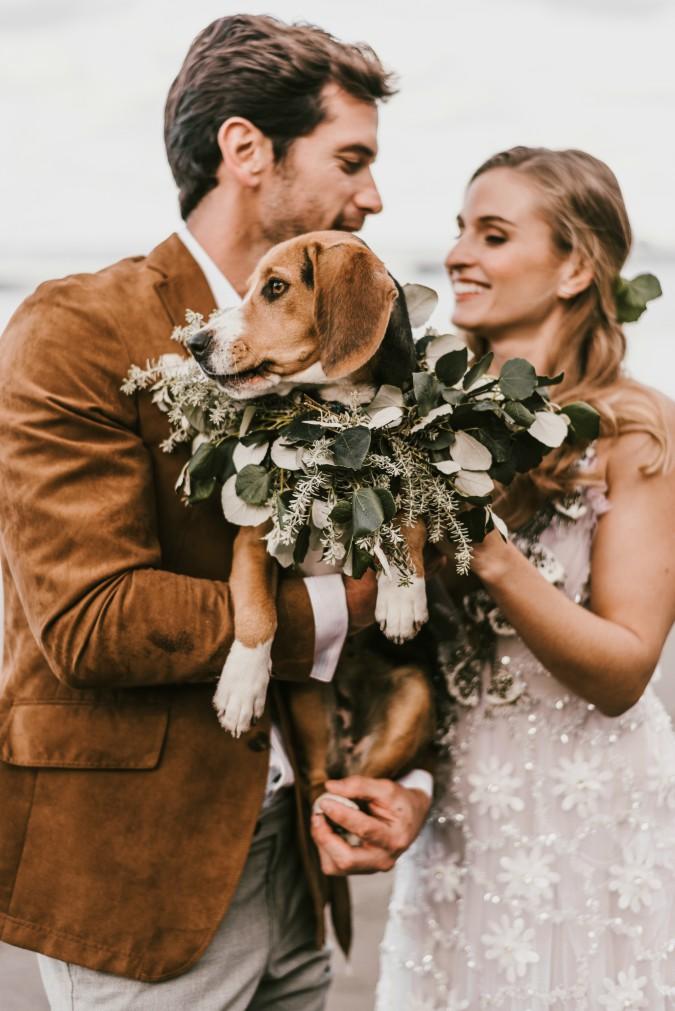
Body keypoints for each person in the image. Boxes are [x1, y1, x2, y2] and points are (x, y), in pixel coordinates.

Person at [0, 15, 432, 1011]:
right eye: (351, 159)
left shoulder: (347, 341)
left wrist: (402, 781)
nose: (373, 194)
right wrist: (346, 609)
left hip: (301, 857)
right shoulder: (75, 330)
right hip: (137, 872)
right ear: (246, 150)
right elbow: (92, 623)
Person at [377, 147, 675, 1010]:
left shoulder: (634, 429)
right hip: (461, 821)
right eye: (460, 231)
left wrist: (490, 553)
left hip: (589, 819)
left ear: (575, 266)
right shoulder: (419, 417)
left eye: (494, 234)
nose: (459, 255)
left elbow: (624, 671)